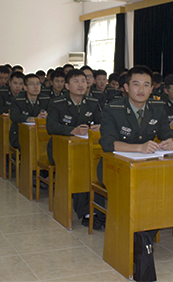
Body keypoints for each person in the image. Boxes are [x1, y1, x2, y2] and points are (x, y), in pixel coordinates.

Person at [98, 65, 173, 248]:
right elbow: (108, 144)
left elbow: (168, 133)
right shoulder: (113, 108)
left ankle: (143, 236)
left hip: (146, 166)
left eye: (146, 85)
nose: (141, 90)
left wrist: (170, 142)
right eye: (136, 84)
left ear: (152, 88)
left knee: (165, 189)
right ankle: (138, 237)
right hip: (114, 167)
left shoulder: (158, 107)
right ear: (126, 87)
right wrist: (139, 148)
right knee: (140, 191)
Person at [46, 69, 102, 228]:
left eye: (83, 81)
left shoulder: (92, 102)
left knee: (95, 167)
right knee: (79, 169)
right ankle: (86, 212)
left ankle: (98, 209)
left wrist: (99, 127)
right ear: (67, 86)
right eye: (76, 81)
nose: (81, 85)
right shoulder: (56, 103)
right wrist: (72, 130)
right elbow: (51, 127)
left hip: (86, 149)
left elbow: (103, 121)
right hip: (60, 150)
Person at [9, 74, 50, 149]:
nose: (36, 87)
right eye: (32, 84)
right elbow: (14, 116)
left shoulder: (46, 98)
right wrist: (32, 119)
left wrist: (47, 116)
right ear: (25, 87)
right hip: (20, 135)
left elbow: (53, 114)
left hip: (41, 133)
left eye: (38, 84)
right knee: (31, 145)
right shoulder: (17, 100)